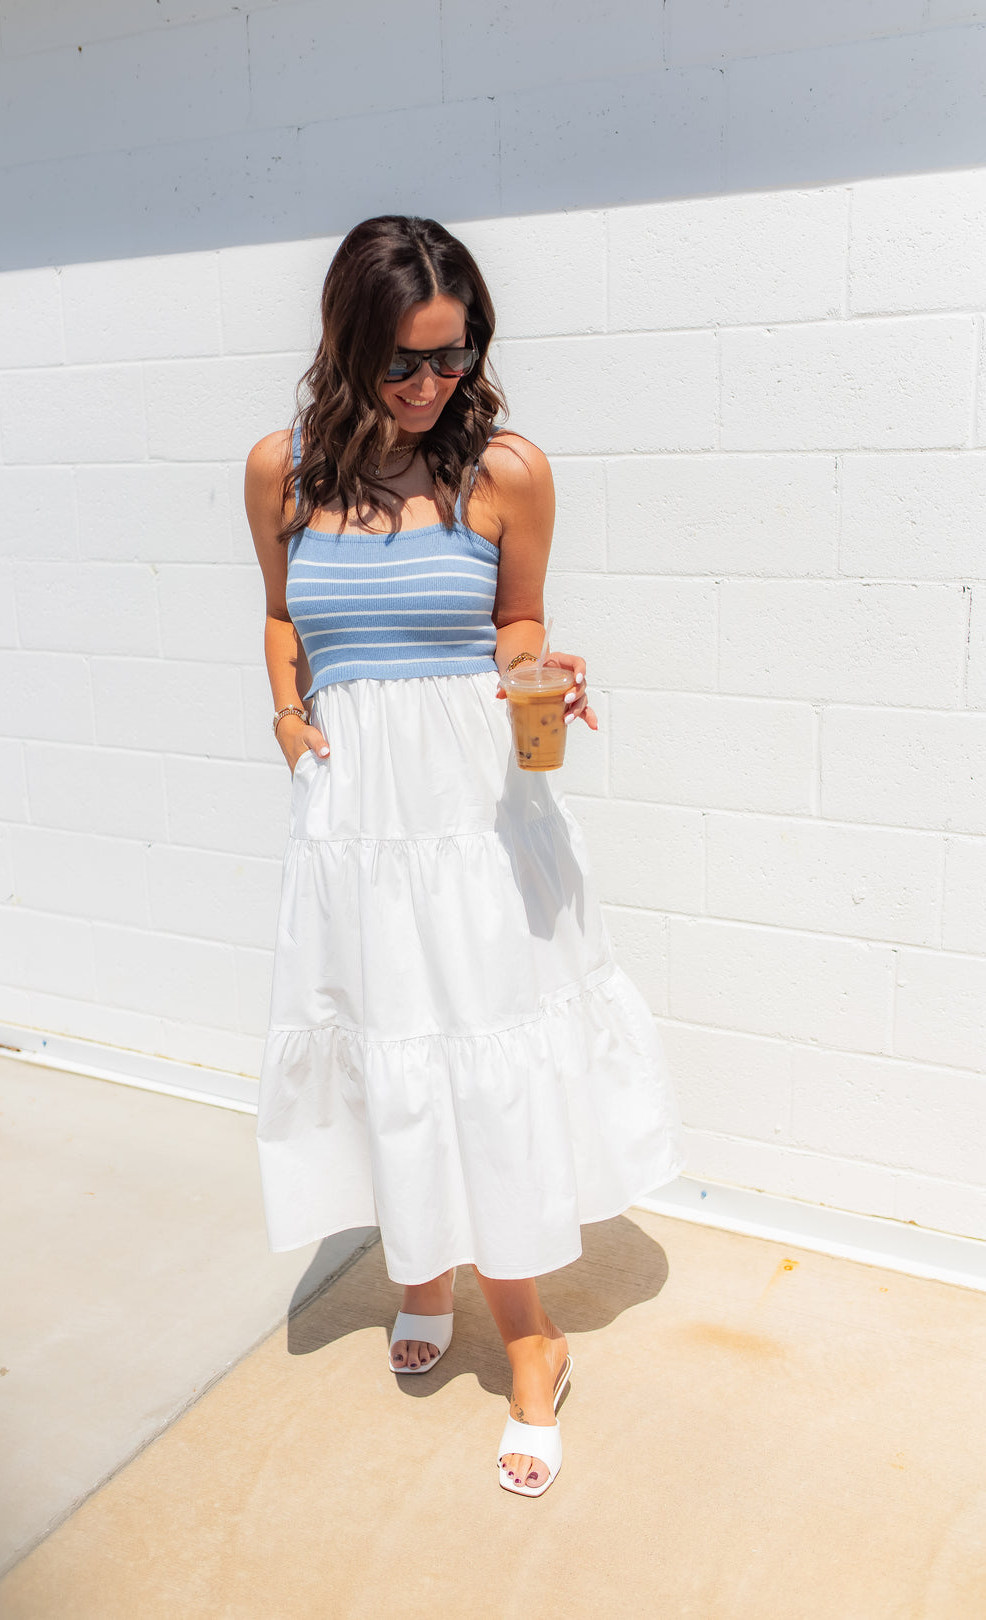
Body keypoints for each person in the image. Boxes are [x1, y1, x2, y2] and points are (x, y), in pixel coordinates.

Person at [245, 215, 686, 1497]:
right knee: (389, 1035)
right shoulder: (283, 470)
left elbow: (518, 617)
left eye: (453, 354)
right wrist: (288, 719)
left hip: (478, 812)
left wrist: (536, 668)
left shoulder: (505, 470)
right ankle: (419, 1269)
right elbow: (282, 615)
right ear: (345, 345)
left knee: (480, 1049)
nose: (430, 384)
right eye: (402, 363)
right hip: (353, 820)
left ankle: (532, 1331)